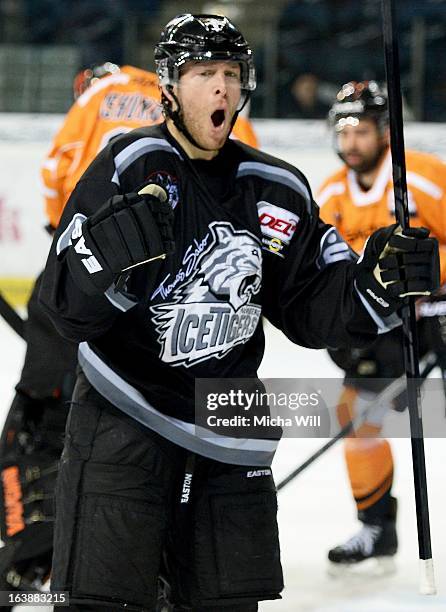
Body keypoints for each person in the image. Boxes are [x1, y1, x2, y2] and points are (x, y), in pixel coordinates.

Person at [39, 15, 438, 611]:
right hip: (124, 422)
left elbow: (315, 308)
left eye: (230, 73)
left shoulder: (274, 186)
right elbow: (64, 309)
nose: (221, 88)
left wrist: (377, 288)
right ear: (171, 87)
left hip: (231, 430)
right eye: (205, 74)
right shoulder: (132, 164)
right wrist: (101, 262)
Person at [0, 58, 259, 600]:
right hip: (183, 289)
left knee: (41, 417)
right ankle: (176, 557)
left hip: (94, 271)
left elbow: (56, 179)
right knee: (169, 421)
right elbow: (243, 174)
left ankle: (27, 555)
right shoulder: (204, 95)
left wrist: (77, 263)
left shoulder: (98, 95)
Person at [318, 80, 446, 573]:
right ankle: (377, 528)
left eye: (362, 130)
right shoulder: (330, 193)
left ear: (384, 131)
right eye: (344, 130)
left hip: (441, 309)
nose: (352, 141)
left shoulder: (426, 178)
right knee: (357, 414)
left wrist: (431, 272)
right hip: (387, 322)